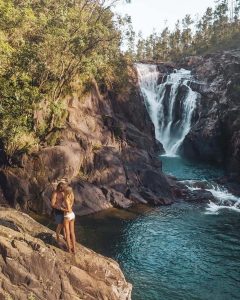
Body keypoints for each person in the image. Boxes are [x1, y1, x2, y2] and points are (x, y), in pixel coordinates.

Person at [61, 186, 76, 254]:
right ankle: (74, 249)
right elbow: (71, 206)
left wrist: (62, 209)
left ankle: (69, 249)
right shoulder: (72, 196)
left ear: (66, 192)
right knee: (72, 232)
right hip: (72, 215)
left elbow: (69, 210)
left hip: (67, 215)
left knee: (67, 233)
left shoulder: (66, 199)